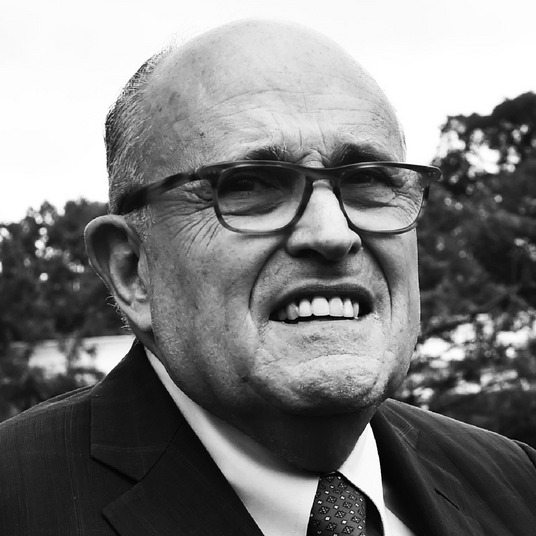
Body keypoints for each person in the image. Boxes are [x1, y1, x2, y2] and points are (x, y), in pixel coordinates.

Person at [1, 19, 536, 536]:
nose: (331, 233)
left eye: (368, 180)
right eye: (249, 185)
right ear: (131, 268)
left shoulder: (518, 485)